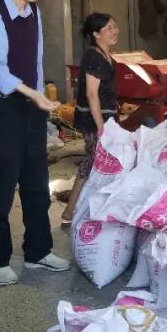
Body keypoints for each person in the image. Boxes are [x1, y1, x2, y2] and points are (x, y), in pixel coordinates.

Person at [0, 0, 71, 286]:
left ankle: (38, 251)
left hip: (32, 109)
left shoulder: (34, 12)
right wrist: (32, 93)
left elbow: (36, 60)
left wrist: (40, 96)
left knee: (36, 184)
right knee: (2, 187)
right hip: (4, 109)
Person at [60, 12, 120, 227]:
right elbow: (92, 94)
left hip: (106, 117)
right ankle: (70, 212)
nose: (115, 31)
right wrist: (101, 127)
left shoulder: (105, 55)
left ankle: (86, 210)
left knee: (99, 162)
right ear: (96, 34)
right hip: (94, 120)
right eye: (109, 28)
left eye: (115, 26)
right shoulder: (93, 57)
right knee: (93, 162)